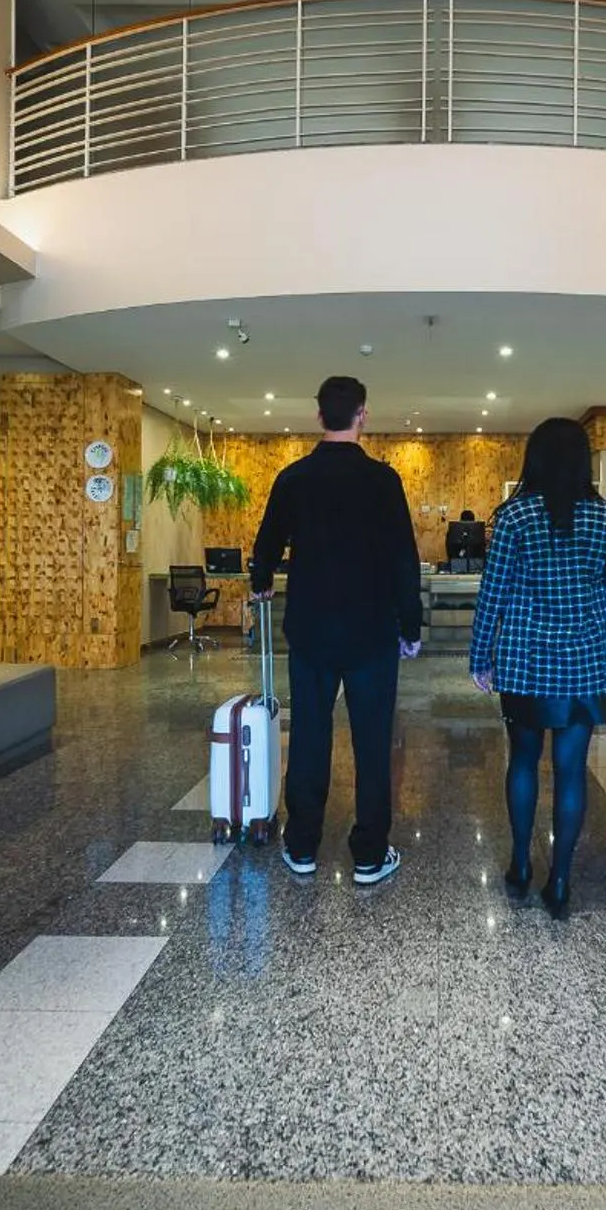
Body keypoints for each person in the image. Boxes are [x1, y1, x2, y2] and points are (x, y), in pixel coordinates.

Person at [250, 375, 423, 885]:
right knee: (373, 741)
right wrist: (410, 624)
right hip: (371, 632)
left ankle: (302, 845)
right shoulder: (383, 481)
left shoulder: (294, 478)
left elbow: (266, 543)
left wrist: (261, 581)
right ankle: (369, 855)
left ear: (319, 415)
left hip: (311, 630)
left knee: (309, 734)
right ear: (362, 415)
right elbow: (404, 558)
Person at [469, 417, 606, 918]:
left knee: (523, 762)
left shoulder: (514, 516)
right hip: (583, 663)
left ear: (536, 459)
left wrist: (480, 656)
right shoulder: (605, 518)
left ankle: (521, 864)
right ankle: (561, 881)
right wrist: (604, 600)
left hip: (524, 660)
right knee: (571, 772)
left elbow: (493, 592)